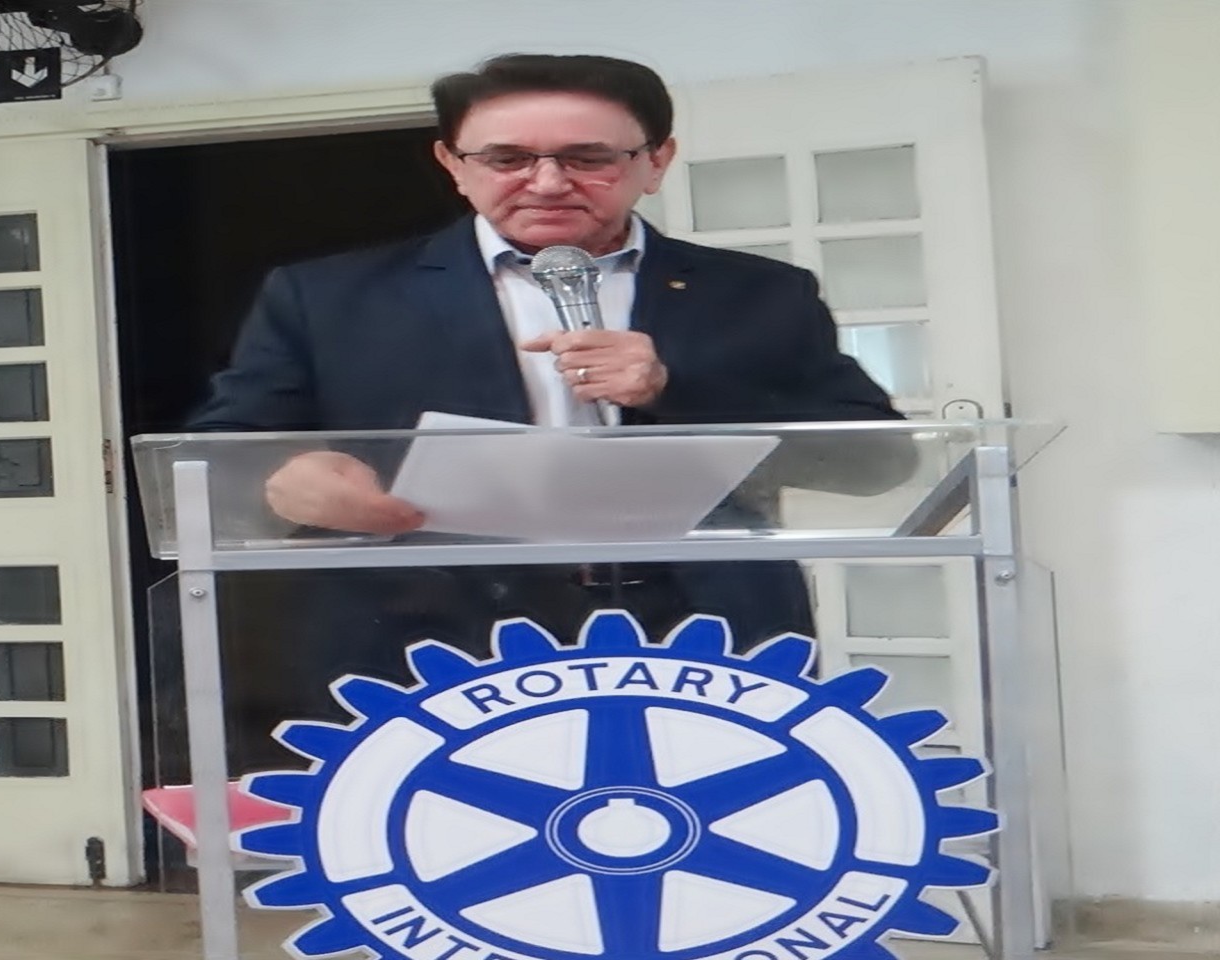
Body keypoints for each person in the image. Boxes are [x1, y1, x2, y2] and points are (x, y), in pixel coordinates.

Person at [189, 54, 909, 738]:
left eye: (588, 158)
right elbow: (221, 453)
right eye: (507, 159)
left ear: (656, 161)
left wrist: (673, 389)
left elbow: (874, 459)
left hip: (703, 632)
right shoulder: (329, 297)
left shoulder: (759, 295)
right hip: (425, 637)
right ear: (454, 165)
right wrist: (285, 479)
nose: (547, 182)